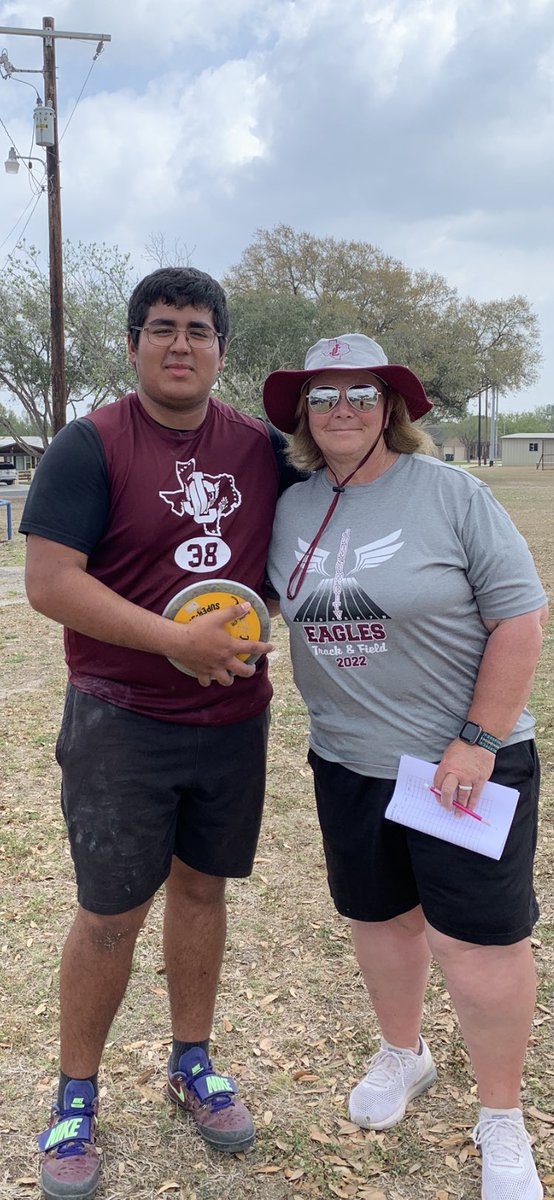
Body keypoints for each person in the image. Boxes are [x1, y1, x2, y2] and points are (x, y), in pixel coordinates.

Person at [20, 267, 301, 1200]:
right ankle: (74, 1099)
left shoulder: (261, 448)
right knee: (109, 916)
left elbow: (359, 468)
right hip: (121, 719)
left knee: (203, 892)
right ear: (134, 343)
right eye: (162, 328)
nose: (181, 344)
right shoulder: (89, 445)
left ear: (222, 347)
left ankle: (191, 1061)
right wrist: (175, 641)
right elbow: (52, 582)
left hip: (232, 720)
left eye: (199, 330)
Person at [263, 334, 548, 1200]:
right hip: (348, 761)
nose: (341, 406)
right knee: (381, 921)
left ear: (388, 404)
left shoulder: (452, 494)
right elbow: (261, 605)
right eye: (322, 394)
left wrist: (478, 738)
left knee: (478, 943)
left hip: (458, 764)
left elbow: (520, 621)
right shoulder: (289, 507)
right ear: (304, 415)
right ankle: (404, 1054)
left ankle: (502, 1119)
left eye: (360, 390)